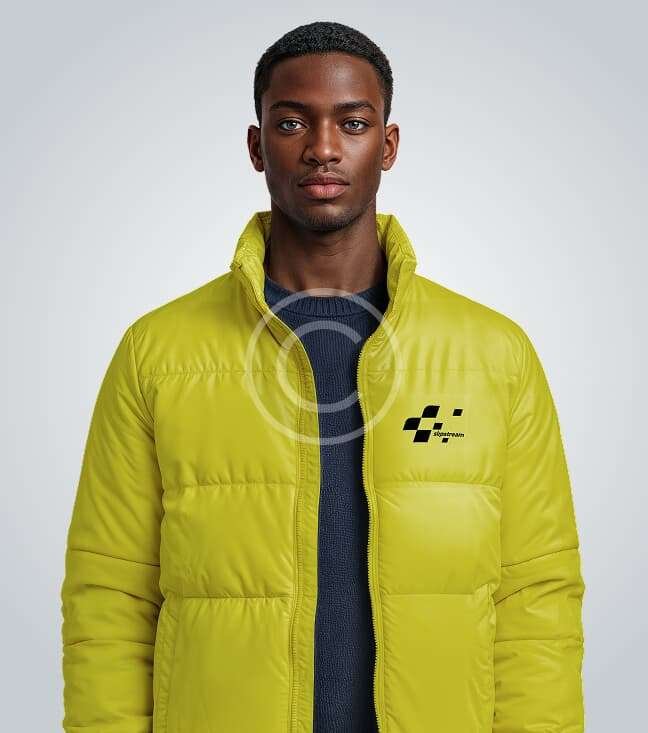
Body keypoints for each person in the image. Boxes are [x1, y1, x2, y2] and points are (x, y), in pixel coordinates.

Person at [60, 20, 586, 733]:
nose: (324, 147)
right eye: (291, 123)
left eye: (353, 123)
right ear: (256, 147)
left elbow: (535, 600)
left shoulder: (494, 356)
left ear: (388, 145)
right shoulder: (158, 352)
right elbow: (109, 597)